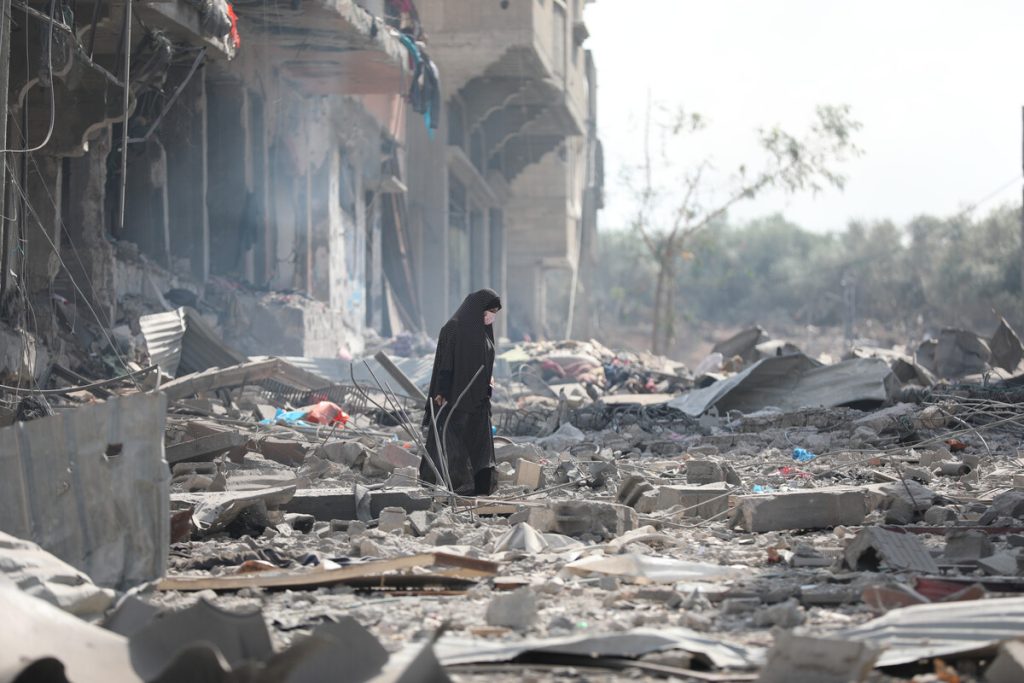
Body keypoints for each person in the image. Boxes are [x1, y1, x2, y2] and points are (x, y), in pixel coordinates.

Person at [421, 289, 501, 495]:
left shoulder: (484, 332)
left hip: (480, 399)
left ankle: (482, 485)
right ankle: (457, 484)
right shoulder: (453, 328)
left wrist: (489, 382)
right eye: (489, 310)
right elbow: (445, 362)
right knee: (451, 441)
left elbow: (486, 361)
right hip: (455, 397)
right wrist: (442, 390)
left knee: (480, 443)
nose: (491, 316)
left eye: (495, 312)